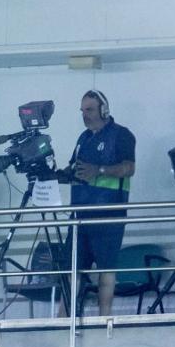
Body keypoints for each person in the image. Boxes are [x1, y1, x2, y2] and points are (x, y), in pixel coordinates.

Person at [68, 90, 136, 317]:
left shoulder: (121, 135)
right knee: (73, 268)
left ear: (103, 110)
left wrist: (99, 171)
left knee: (106, 269)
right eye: (82, 110)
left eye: (89, 110)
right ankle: (62, 318)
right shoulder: (83, 138)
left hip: (108, 214)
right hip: (79, 213)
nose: (84, 115)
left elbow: (129, 168)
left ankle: (104, 317)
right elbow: (76, 169)